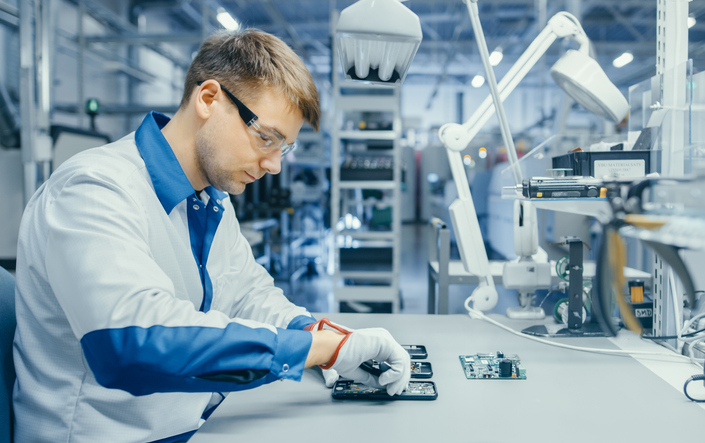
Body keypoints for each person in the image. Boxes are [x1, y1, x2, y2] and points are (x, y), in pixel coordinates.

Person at [12, 28, 410, 442]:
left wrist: (319, 335)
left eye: (284, 148)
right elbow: (133, 345)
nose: (274, 165)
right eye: (266, 138)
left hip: (198, 422)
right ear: (208, 99)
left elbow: (247, 294)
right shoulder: (95, 189)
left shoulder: (210, 197)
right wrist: (319, 351)